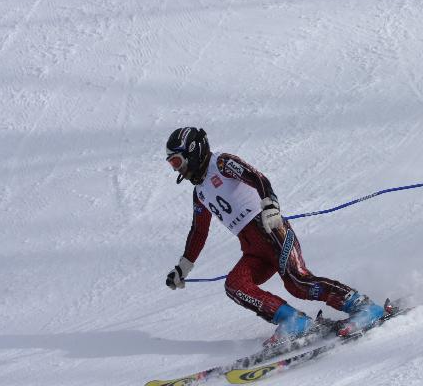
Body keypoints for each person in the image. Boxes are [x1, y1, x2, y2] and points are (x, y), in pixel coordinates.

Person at [163, 127, 385, 343]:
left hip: (273, 232)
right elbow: (199, 231)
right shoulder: (199, 193)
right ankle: (294, 321)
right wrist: (183, 267)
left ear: (193, 152)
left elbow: (256, 177)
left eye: (177, 162)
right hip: (253, 250)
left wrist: (270, 204)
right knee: (235, 285)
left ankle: (363, 306)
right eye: (172, 164)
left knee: (298, 283)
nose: (176, 170)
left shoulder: (221, 163)